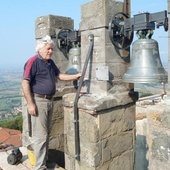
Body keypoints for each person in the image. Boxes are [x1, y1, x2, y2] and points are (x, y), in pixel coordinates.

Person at [22, 35, 81, 170]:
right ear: (40, 48)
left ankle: (44, 161)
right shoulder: (33, 61)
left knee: (46, 133)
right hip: (39, 101)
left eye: (52, 49)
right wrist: (30, 103)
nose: (50, 51)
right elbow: (25, 82)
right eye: (48, 49)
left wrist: (77, 75)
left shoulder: (50, 63)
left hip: (49, 101)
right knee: (40, 136)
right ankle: (40, 167)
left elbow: (59, 76)